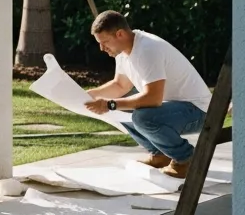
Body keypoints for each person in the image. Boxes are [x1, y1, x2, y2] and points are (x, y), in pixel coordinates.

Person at [84, 10, 210, 178]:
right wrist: (87, 95)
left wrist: (110, 104)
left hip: (199, 112)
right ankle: (160, 154)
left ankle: (187, 160)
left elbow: (153, 98)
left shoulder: (147, 49)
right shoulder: (123, 52)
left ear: (120, 34)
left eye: (105, 42)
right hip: (175, 109)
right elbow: (120, 85)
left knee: (142, 117)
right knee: (119, 108)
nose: (102, 48)